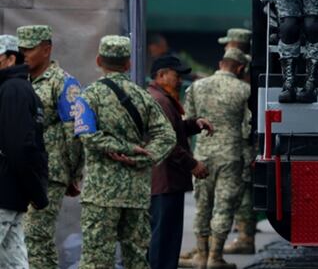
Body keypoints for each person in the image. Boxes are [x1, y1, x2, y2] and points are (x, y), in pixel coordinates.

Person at [74, 36, 176, 269]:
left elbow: (86, 135)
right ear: (129, 63)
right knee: (137, 259)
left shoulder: (89, 95)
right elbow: (167, 136)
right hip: (136, 193)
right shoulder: (142, 96)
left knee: (96, 259)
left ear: (99, 60)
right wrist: (142, 156)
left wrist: (120, 149)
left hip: (101, 195)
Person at [17, 25, 83, 269]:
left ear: (46, 49)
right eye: (20, 49)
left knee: (36, 238)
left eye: (30, 49)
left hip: (48, 173)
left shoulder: (64, 83)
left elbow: (75, 133)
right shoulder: (18, 79)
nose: (24, 55)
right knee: (20, 239)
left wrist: (74, 174)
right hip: (19, 170)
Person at [184, 48, 252, 269]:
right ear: (240, 68)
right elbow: (248, 128)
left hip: (202, 155)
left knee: (202, 206)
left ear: (221, 63)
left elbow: (188, 122)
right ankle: (215, 257)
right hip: (231, 156)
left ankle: (201, 256)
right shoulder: (244, 90)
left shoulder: (196, 87)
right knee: (223, 207)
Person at [149, 54, 214, 269]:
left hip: (167, 181)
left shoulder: (163, 99)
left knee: (166, 237)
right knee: (164, 239)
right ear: (161, 75)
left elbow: (174, 131)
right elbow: (167, 143)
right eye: (176, 75)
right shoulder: (160, 101)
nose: (179, 80)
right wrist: (192, 164)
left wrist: (194, 125)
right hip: (164, 181)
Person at [0, 34, 48, 269]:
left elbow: (19, 147)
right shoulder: (19, 88)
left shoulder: (13, 90)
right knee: (14, 262)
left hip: (5, 191)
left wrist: (36, 191)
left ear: (10, 59)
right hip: (12, 193)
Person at [216, 29, 258, 256]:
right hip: (241, 141)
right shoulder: (248, 70)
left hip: (240, 142)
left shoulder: (245, 73)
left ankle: (244, 236)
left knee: (242, 191)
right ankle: (242, 234)